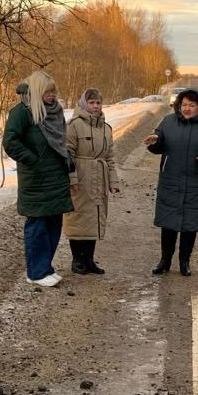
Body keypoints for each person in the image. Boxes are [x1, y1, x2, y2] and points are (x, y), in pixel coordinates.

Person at [143, 88, 198, 276]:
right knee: (169, 224)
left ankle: (184, 262)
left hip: (196, 183)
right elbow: (159, 143)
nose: (187, 108)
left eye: (191, 105)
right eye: (184, 105)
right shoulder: (168, 122)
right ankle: (164, 261)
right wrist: (154, 141)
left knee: (190, 225)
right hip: (170, 181)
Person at [2, 70, 74, 288]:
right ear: (36, 91)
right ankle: (36, 272)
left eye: (53, 91)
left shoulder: (55, 111)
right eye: (47, 91)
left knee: (53, 225)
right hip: (36, 179)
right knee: (37, 226)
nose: (52, 95)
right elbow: (10, 142)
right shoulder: (22, 112)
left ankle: (46, 267)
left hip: (56, 177)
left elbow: (61, 140)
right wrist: (33, 160)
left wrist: (67, 159)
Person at [64, 88, 120, 274]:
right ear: (84, 104)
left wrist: (113, 182)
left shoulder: (106, 128)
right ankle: (77, 260)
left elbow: (110, 157)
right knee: (78, 217)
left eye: (98, 102)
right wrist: (72, 178)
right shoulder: (74, 125)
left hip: (99, 178)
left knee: (95, 217)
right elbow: (67, 154)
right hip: (81, 177)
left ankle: (89, 260)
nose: (95, 106)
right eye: (91, 102)